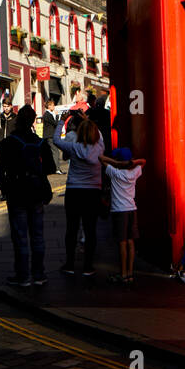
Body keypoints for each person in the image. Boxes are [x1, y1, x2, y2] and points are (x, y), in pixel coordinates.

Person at [0, 106, 56, 287]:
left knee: (20, 236)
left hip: (17, 193)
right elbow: (51, 168)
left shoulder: (8, 143)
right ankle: (39, 274)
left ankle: (23, 276)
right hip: (36, 192)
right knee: (37, 235)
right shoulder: (40, 142)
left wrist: (6, 188)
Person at [51, 109, 105, 276]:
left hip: (74, 191)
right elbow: (99, 135)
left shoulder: (73, 147)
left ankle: (69, 264)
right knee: (90, 230)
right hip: (93, 192)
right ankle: (88, 266)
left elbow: (55, 139)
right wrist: (87, 120)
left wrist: (62, 120)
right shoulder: (99, 147)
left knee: (72, 229)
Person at [100, 149, 146, 283]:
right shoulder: (135, 171)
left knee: (122, 243)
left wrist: (117, 163)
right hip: (132, 209)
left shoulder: (115, 172)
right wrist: (131, 162)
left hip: (119, 211)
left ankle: (123, 273)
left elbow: (100, 158)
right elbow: (143, 161)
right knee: (131, 241)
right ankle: (130, 273)